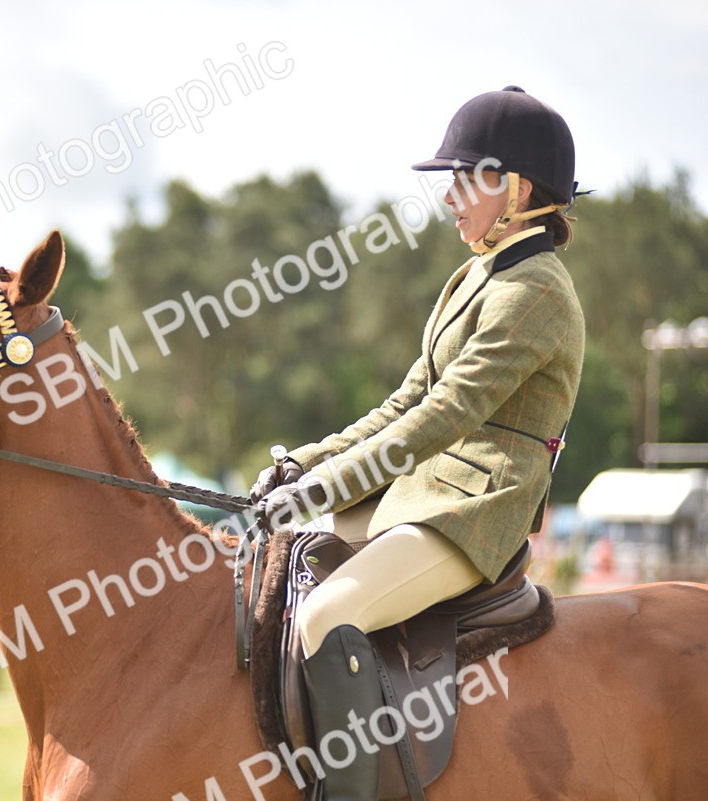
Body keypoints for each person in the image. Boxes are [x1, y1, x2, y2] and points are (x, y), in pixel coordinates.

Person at [251, 86, 585, 801]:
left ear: (517, 188)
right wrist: (303, 464)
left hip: (475, 509)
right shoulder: (473, 277)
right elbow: (402, 403)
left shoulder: (537, 291)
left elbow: (445, 414)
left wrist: (324, 488)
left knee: (327, 613)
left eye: (466, 180)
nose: (450, 198)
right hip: (421, 492)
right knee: (276, 564)